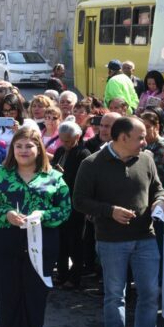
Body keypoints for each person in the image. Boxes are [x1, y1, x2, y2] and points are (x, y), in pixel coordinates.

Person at [73, 116, 164, 327]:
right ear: (122, 138)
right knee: (115, 296)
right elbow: (79, 201)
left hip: (145, 238)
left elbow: (158, 189)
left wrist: (160, 202)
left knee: (149, 294)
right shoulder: (92, 164)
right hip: (111, 241)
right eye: (139, 137)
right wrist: (109, 211)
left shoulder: (147, 159)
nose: (144, 141)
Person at [0, 125, 70, 327]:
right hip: (5, 241)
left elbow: (64, 210)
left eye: (29, 146)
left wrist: (43, 215)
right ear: (12, 149)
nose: (23, 150)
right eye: (18, 146)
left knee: (34, 297)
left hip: (41, 243)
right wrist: (5, 213)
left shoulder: (54, 177)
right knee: (7, 295)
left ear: (38, 149)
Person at [52, 120, 91, 289]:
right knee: (60, 241)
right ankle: (61, 274)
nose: (65, 144)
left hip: (75, 204)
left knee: (75, 242)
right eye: (62, 140)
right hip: (59, 202)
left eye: (68, 141)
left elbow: (83, 182)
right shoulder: (60, 150)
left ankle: (74, 277)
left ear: (77, 137)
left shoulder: (83, 153)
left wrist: (63, 175)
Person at [141, 111, 164, 187]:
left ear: (157, 127)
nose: (144, 131)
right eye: (142, 127)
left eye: (147, 127)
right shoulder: (139, 146)